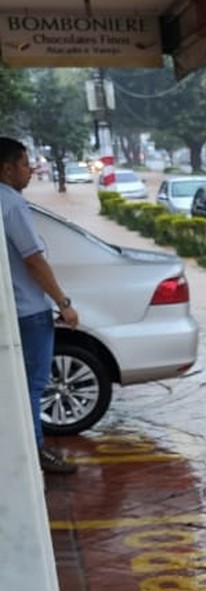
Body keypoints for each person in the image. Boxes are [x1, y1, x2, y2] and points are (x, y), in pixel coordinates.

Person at [0, 136, 80, 476]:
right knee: (33, 384)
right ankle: (35, 453)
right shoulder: (13, 205)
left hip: (11, 307)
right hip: (28, 309)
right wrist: (63, 302)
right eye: (23, 163)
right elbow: (34, 260)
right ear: (6, 169)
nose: (30, 169)